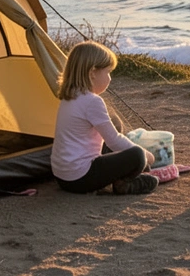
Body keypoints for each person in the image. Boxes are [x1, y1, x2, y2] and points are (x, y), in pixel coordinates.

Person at [52, 41, 159, 195]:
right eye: (108, 72)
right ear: (92, 73)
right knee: (137, 155)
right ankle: (124, 184)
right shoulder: (92, 101)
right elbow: (114, 140)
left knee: (111, 142)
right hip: (81, 178)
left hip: (63, 177)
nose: (109, 78)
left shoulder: (70, 96)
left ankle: (125, 174)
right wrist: (146, 155)